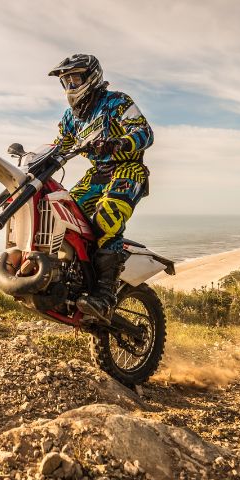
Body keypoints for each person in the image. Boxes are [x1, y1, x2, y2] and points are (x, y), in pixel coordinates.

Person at [49, 54, 154, 320]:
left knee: (107, 216)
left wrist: (118, 143)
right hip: (96, 174)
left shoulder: (117, 102)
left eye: (75, 78)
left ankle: (105, 294)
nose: (71, 86)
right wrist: (37, 158)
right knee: (61, 215)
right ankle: (72, 280)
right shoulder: (70, 118)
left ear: (91, 77)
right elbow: (59, 145)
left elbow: (145, 133)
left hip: (127, 169)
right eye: (66, 81)